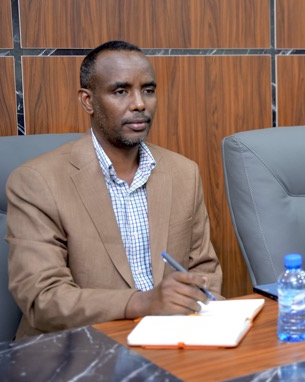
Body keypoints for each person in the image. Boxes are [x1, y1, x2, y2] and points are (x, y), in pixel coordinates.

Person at [6, 40, 222, 338]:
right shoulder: (37, 181)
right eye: (121, 91)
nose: (139, 104)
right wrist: (143, 303)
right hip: (77, 347)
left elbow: (205, 270)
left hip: (173, 339)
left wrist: (197, 308)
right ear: (88, 101)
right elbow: (43, 298)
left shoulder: (184, 173)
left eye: (148, 90)